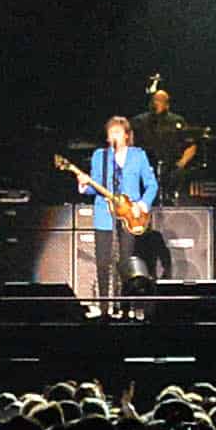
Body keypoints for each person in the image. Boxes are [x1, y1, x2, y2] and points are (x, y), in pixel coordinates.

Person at [74, 106, 159, 317]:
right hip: (104, 214)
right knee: (103, 263)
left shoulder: (138, 156)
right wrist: (85, 185)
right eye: (111, 131)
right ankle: (104, 308)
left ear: (127, 135)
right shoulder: (99, 156)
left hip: (130, 215)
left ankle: (124, 307)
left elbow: (151, 185)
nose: (114, 135)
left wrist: (143, 204)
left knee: (126, 263)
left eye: (118, 131)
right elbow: (95, 186)